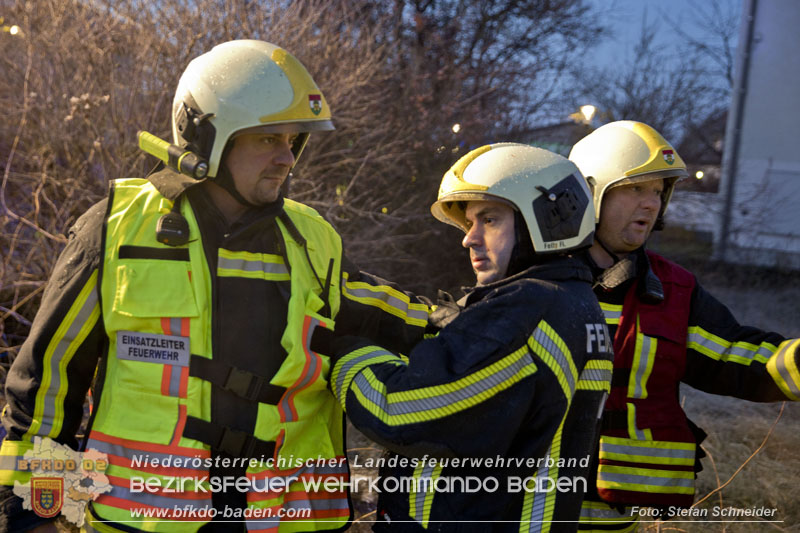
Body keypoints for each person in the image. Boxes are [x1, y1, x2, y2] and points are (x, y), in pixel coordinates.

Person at [0, 40, 430, 532]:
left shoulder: (315, 241)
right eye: (268, 139)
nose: (286, 159)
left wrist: (493, 307)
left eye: (293, 141)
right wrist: (35, 514)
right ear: (206, 137)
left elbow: (406, 319)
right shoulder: (116, 228)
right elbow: (47, 387)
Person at [320, 143, 614, 531]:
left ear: (546, 220)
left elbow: (397, 410)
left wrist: (340, 352)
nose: (469, 238)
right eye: (470, 223)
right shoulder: (576, 303)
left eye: (489, 220)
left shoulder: (529, 306)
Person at [567, 120, 800, 532]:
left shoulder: (672, 292)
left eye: (658, 192)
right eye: (636, 188)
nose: (651, 204)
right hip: (522, 512)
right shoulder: (530, 284)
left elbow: (738, 356)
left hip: (612, 521)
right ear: (588, 192)